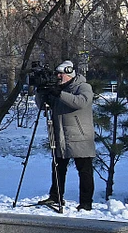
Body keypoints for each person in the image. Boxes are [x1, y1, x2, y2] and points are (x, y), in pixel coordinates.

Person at [35, 60, 95, 211]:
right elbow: (43, 106)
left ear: (69, 73)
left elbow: (81, 102)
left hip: (80, 136)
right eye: (57, 74)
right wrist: (40, 92)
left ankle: (86, 203)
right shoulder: (57, 89)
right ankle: (55, 196)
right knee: (57, 167)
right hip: (61, 136)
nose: (58, 76)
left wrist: (59, 93)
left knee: (84, 170)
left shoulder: (83, 87)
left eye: (60, 74)